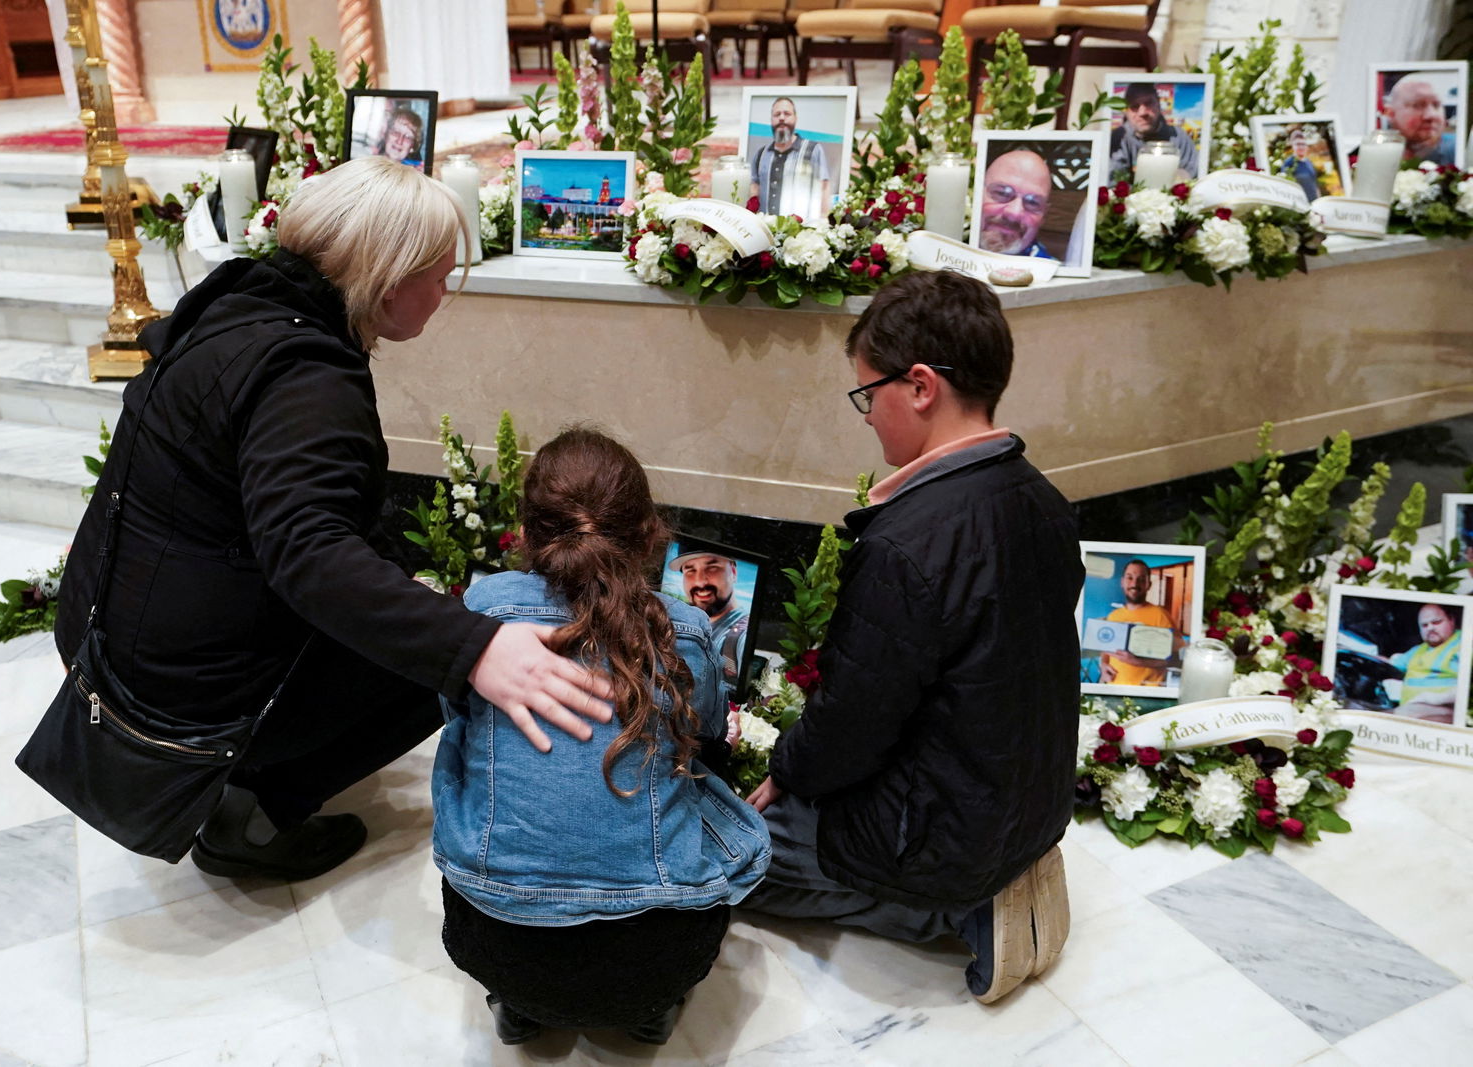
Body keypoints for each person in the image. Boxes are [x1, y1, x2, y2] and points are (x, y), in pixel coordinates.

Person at [52, 157, 613, 882]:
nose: (445, 293)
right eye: (439, 275)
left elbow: (297, 511)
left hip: (109, 630)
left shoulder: (238, 304)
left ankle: (262, 765)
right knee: (432, 664)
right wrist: (475, 648)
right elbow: (307, 553)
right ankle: (249, 812)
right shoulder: (310, 383)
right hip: (168, 688)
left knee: (407, 615)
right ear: (386, 277)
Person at [741, 269, 1083, 1005]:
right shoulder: (1044, 499)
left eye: (870, 393)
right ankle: (972, 887)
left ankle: (949, 909)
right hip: (1024, 805)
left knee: (716, 847)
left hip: (936, 831)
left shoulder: (910, 540)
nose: (867, 416)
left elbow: (854, 723)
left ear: (921, 386)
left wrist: (787, 770)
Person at [434, 428, 770, 1046]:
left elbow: (450, 709)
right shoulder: (688, 632)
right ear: (650, 537)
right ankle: (651, 1012)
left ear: (527, 533)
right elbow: (704, 737)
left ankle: (521, 1007)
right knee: (702, 781)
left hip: (496, 939)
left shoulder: (481, 609)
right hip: (660, 956)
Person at [671, 548, 750, 689]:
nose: (700, 581)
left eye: (712, 568)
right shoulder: (674, 622)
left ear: (733, 572)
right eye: (690, 570)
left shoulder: (742, 636)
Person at [1099, 559, 1181, 687]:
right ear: (1122, 582)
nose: (1134, 583)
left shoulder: (1161, 616)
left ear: (1149, 584)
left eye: (1141, 579)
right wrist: (1103, 665)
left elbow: (1175, 660)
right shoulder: (1113, 616)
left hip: (1147, 695)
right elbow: (1106, 650)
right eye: (1129, 577)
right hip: (1114, 691)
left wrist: (1138, 661)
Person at [749, 96, 831, 218]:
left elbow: (824, 189)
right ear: (771, 120)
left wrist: (824, 223)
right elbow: (754, 192)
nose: (781, 118)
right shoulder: (761, 154)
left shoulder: (813, 150)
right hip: (765, 229)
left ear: (795, 119)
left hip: (801, 231)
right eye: (777, 114)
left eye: (787, 114)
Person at [976, 149, 1058, 260]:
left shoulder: (1051, 272)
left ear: (1044, 216)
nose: (1014, 213)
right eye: (1002, 193)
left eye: (1032, 202)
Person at [1109, 82, 1198, 179]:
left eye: (1148, 103)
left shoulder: (1178, 137)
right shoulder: (1118, 139)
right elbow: (1113, 181)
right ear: (1126, 112)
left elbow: (1191, 174)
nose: (1142, 113)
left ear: (1159, 105)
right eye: (1134, 106)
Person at [1390, 603, 1462, 723]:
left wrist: (1434, 698)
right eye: (1424, 625)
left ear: (1451, 621)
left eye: (1436, 622)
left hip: (1445, 712)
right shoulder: (1418, 650)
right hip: (1409, 710)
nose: (1430, 628)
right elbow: (1391, 664)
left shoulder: (1463, 644)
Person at [1382, 73, 1457, 166]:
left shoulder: (1457, 150)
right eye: (1417, 105)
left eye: (1436, 105)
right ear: (1391, 113)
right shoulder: (1378, 151)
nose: (1430, 115)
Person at [1276, 128, 1323, 201]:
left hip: (1314, 202)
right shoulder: (1288, 163)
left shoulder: (1309, 162)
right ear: (1292, 145)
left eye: (1303, 144)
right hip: (1300, 203)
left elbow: (1315, 184)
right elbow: (1286, 187)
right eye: (1298, 144)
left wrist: (1319, 200)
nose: (1301, 147)